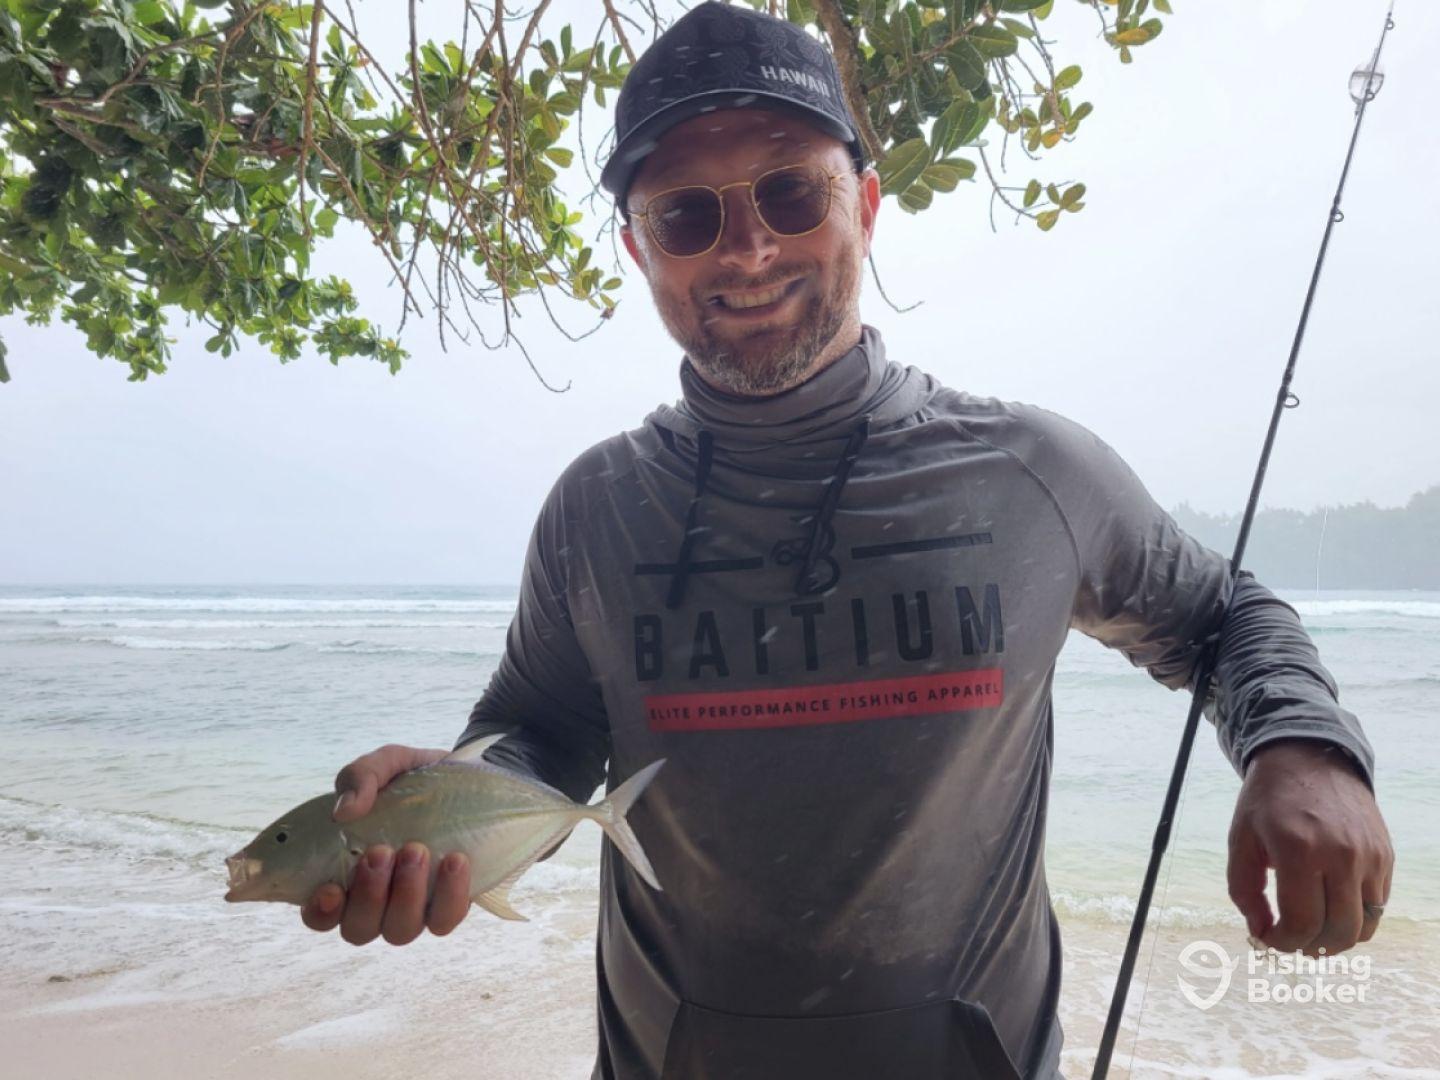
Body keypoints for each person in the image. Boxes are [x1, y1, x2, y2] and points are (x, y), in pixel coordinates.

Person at [299, 5, 1394, 1078]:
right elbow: (538, 733)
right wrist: (455, 805)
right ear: (638, 247)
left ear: (865, 204)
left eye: (791, 191)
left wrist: (1305, 749)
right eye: (687, 215)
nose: (750, 246)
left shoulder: (1030, 475)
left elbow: (1221, 619)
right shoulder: (597, 508)